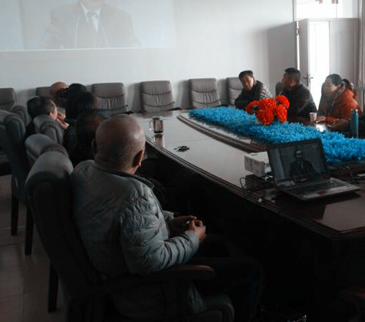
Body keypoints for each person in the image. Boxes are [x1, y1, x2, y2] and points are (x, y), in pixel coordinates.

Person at [71, 115, 262, 321]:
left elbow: (125, 219)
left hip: (123, 269)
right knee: (252, 270)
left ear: (94, 146)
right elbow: (150, 262)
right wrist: (192, 238)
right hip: (155, 292)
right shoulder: (134, 195)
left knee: (218, 243)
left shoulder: (83, 170)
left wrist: (169, 221)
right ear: (140, 157)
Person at [41, 0, 140, 49]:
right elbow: (46, 48)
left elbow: (133, 46)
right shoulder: (62, 15)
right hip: (75, 67)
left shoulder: (121, 17)